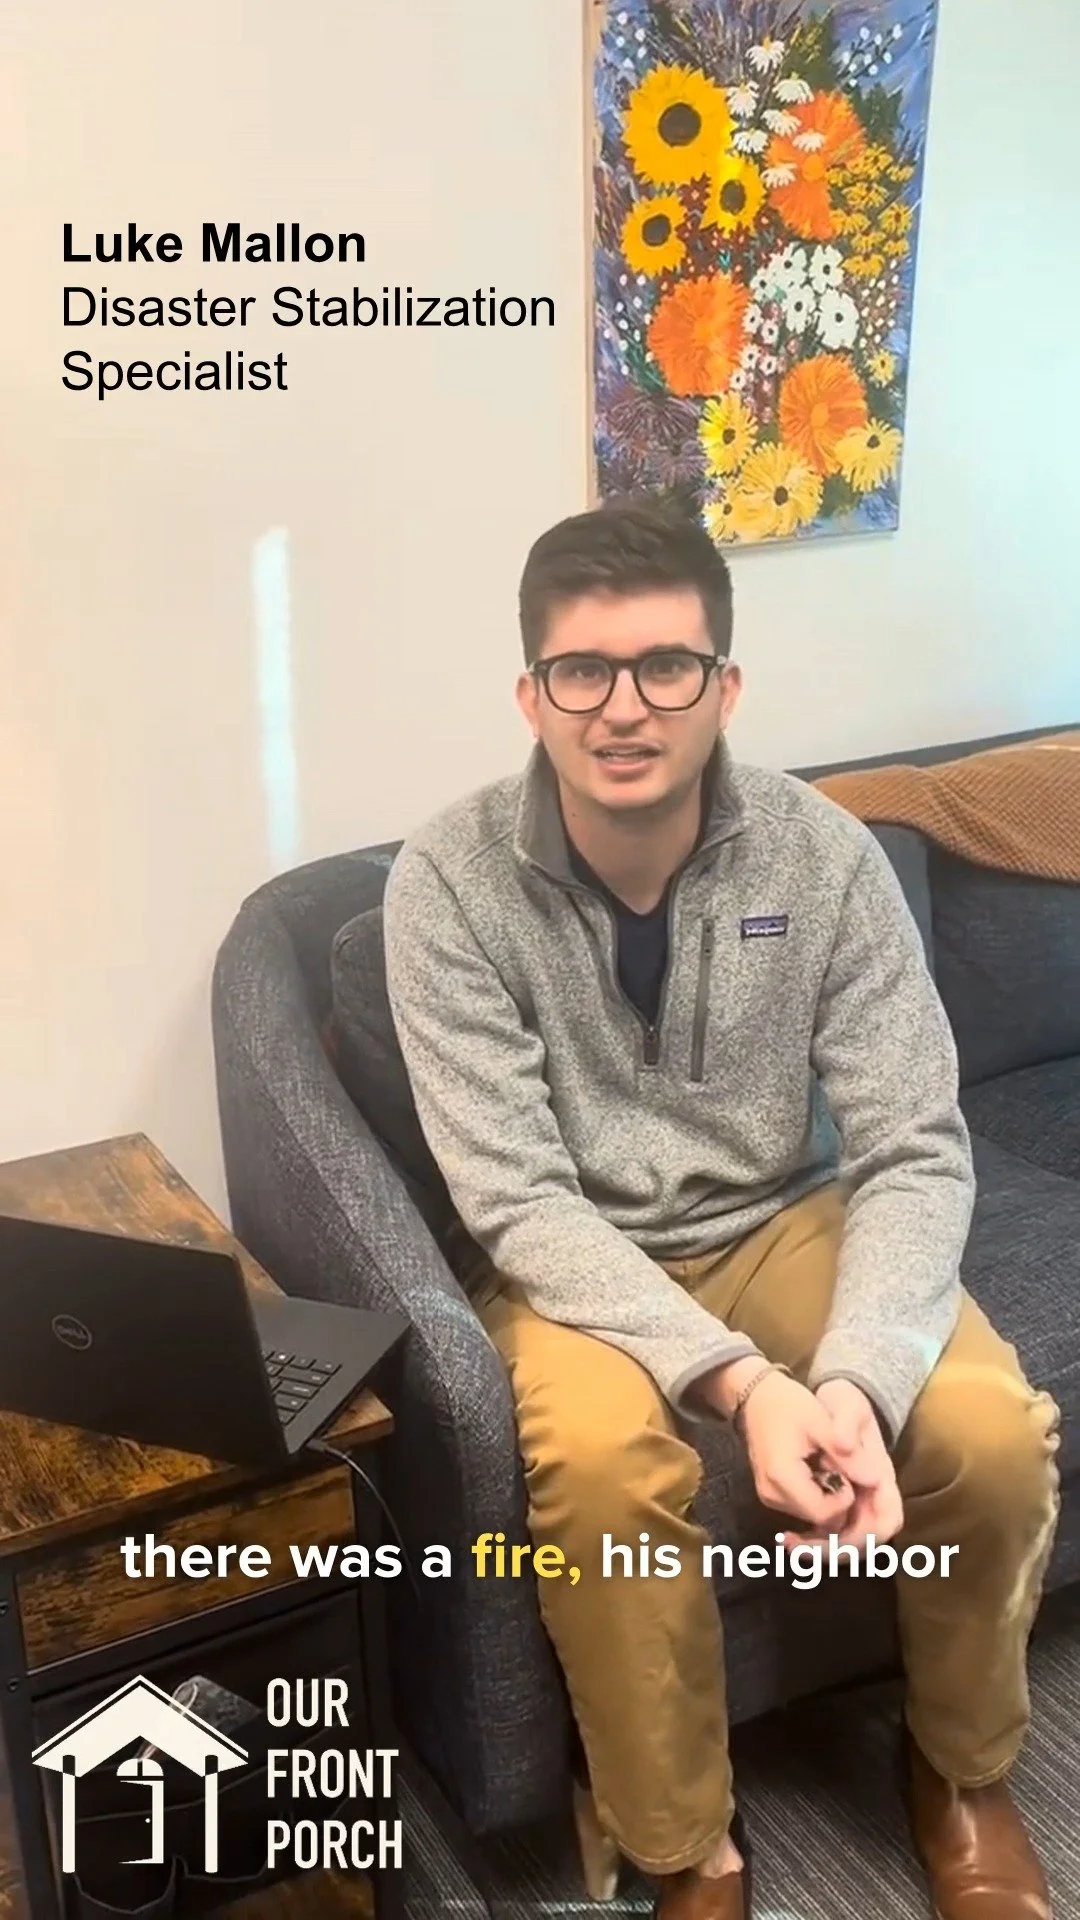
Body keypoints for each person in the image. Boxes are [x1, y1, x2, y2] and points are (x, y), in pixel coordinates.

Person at [381, 498, 1060, 1919]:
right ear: (532, 694)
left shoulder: (825, 858)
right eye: (583, 670)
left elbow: (914, 1144)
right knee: (602, 1475)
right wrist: (744, 1385)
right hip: (571, 1254)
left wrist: (859, 1380)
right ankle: (687, 1844)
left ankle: (962, 1770)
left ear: (725, 686)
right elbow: (513, 1194)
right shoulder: (446, 885)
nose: (624, 707)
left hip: (783, 1216)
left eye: (665, 666)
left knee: (989, 1431)